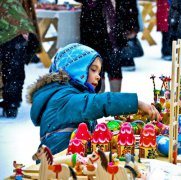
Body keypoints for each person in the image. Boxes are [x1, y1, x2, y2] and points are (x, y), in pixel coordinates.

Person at [27, 43, 161, 155]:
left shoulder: (71, 94)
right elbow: (98, 103)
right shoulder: (63, 98)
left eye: (99, 72)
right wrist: (135, 103)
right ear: (75, 69)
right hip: (57, 169)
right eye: (93, 70)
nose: (98, 76)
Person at [76, 0, 140, 92]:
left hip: (115, 31)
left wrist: (132, 25)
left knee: (114, 66)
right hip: (93, 29)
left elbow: (131, 6)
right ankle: (99, 100)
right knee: (97, 66)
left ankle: (114, 99)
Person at [0, 0, 41, 118]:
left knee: (13, 70)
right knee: (14, 71)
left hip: (12, 32)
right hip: (21, 31)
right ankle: (12, 104)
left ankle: (11, 104)